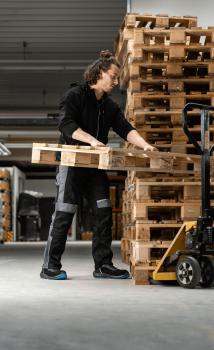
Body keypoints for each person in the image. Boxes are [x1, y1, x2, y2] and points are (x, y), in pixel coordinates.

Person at [40, 50, 156, 280]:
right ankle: (50, 266)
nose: (115, 81)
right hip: (70, 163)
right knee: (64, 212)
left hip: (94, 167)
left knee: (103, 210)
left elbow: (125, 128)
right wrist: (92, 140)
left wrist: (145, 145)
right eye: (112, 76)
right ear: (99, 73)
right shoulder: (75, 95)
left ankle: (102, 265)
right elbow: (66, 124)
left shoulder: (109, 106)